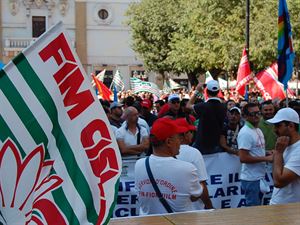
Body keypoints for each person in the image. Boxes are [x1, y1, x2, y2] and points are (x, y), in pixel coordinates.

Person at [135, 118, 203, 214]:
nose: (180, 141)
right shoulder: (187, 169)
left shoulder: (139, 164)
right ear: (169, 142)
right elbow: (196, 195)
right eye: (178, 138)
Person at [237, 103, 273, 206]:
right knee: (253, 210)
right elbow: (243, 157)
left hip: (258, 177)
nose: (256, 116)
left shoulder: (257, 130)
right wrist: (266, 158)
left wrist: (267, 152)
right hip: (251, 179)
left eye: (258, 113)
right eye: (253, 114)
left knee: (257, 208)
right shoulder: (245, 133)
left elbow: (254, 150)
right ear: (245, 116)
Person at [175, 118, 213, 209]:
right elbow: (202, 185)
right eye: (190, 132)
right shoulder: (193, 152)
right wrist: (209, 206)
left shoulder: (164, 153)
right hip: (192, 208)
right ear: (184, 134)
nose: (192, 135)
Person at [267, 108, 300, 204]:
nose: (275, 130)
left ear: (291, 126)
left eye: (278, 126)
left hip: (289, 211)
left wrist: (278, 152)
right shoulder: (285, 145)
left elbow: (279, 182)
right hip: (280, 205)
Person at [186, 80, 227, 154]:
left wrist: (197, 91)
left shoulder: (203, 106)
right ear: (218, 91)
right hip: (216, 143)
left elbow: (188, 105)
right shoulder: (224, 106)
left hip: (201, 143)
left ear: (207, 91)